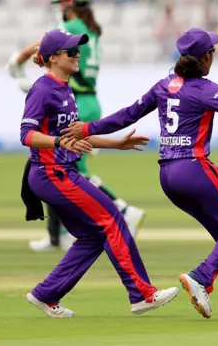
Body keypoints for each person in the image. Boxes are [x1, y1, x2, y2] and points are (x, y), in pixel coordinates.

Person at [61, 28, 218, 320]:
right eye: (213, 52)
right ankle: (201, 277)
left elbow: (128, 114)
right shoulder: (205, 89)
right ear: (206, 57)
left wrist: (88, 128)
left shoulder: (164, 86)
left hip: (167, 174)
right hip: (195, 168)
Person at [21, 29, 178, 318]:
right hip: (51, 173)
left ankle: (46, 294)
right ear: (54, 58)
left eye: (78, 49)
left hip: (59, 172)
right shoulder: (43, 89)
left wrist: (116, 144)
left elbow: (75, 135)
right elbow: (27, 135)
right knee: (112, 219)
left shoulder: (65, 87)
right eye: (71, 51)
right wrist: (57, 142)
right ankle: (143, 294)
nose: (77, 54)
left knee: (94, 234)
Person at [7, 0, 145, 253]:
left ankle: (121, 209)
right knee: (55, 164)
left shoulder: (72, 28)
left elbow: (44, 42)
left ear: (69, 3)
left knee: (62, 165)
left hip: (77, 99)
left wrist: (19, 58)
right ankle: (57, 234)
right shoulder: (91, 31)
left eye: (62, 3)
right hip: (87, 98)